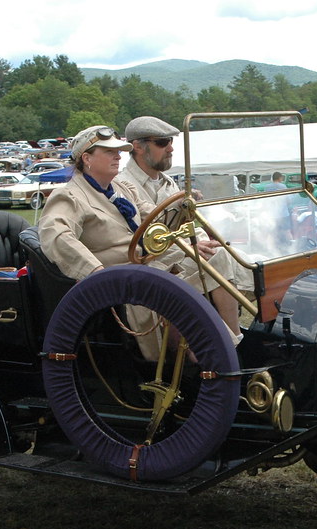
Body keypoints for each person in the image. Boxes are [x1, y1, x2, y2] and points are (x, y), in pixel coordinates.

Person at [38, 125, 253, 356]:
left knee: (216, 256)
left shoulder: (122, 188)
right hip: (124, 280)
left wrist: (183, 223)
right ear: (87, 158)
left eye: (118, 151)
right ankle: (216, 356)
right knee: (182, 295)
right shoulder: (70, 196)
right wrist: (96, 273)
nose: (117, 156)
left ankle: (235, 342)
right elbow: (56, 235)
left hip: (151, 265)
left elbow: (155, 219)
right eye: (109, 152)